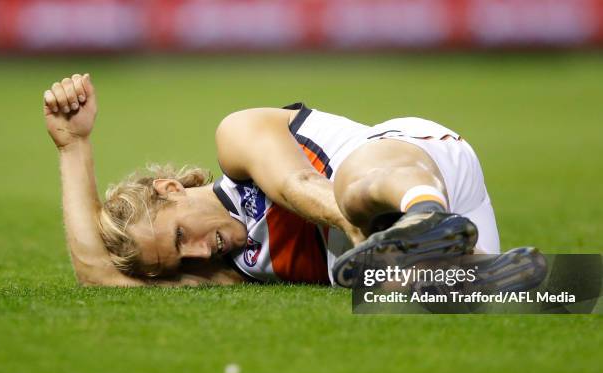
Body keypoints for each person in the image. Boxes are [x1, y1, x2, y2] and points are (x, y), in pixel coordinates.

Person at [43, 73, 502, 287]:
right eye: (180, 261)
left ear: (170, 189)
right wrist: (72, 147)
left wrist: (368, 236)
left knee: (354, 188)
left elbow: (298, 182)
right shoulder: (224, 269)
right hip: (451, 222)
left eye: (181, 235)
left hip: (414, 165)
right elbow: (97, 273)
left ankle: (424, 218)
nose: (201, 253)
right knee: (412, 290)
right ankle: (483, 268)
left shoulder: (236, 136)